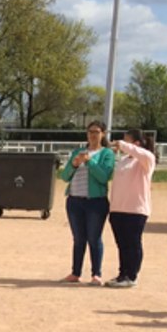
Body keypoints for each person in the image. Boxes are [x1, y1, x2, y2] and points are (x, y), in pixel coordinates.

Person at [58, 121, 116, 285]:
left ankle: (96, 274)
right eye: (90, 131)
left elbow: (104, 177)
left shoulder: (107, 153)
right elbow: (64, 177)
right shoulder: (78, 151)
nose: (93, 135)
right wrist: (74, 164)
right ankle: (75, 272)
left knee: (94, 238)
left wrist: (90, 162)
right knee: (78, 238)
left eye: (96, 132)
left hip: (95, 201)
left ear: (103, 134)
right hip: (75, 200)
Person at [106, 128, 157, 287]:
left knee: (133, 243)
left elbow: (142, 154)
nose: (122, 144)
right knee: (122, 244)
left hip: (136, 209)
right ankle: (123, 273)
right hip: (118, 208)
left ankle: (132, 275)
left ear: (137, 143)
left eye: (126, 140)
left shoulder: (146, 159)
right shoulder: (123, 161)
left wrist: (122, 144)